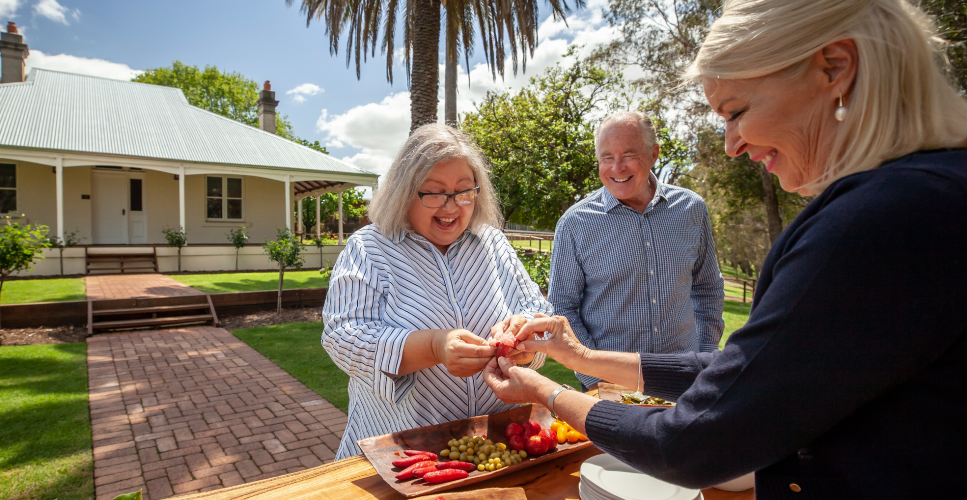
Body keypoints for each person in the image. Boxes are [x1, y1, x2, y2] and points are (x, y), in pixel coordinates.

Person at [482, 0, 967, 497]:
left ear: (836, 68)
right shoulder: (932, 194)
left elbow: (689, 446)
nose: (732, 145)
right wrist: (582, 357)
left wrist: (544, 391)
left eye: (736, 112)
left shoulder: (878, 221)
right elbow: (758, 367)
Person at [322, 124, 551, 460]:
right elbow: (342, 337)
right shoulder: (370, 248)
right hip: (402, 452)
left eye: (463, 191)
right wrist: (433, 346)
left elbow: (535, 311)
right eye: (434, 192)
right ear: (404, 192)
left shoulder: (492, 243)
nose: (452, 206)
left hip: (497, 446)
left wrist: (524, 342)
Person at [549, 110, 725, 390]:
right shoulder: (575, 223)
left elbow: (707, 288)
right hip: (610, 386)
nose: (617, 168)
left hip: (684, 382)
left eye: (629, 155)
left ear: (653, 154)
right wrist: (596, 378)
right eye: (607, 157)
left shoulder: (691, 208)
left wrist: (703, 358)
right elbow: (560, 306)